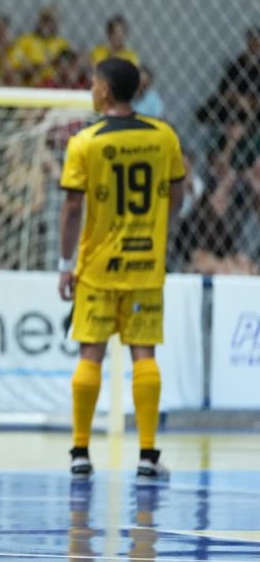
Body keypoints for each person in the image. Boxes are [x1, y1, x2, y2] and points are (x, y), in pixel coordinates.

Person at [58, 58, 184, 481]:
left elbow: (72, 207)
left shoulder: (85, 142)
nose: (91, 90)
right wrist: (161, 235)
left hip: (98, 268)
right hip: (145, 265)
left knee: (90, 354)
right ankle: (148, 456)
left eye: (94, 83)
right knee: (144, 354)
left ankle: (80, 452)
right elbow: (178, 193)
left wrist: (64, 264)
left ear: (105, 91)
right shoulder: (164, 136)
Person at [9, 6, 71, 86]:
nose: (48, 24)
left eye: (52, 21)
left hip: (54, 85)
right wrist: (45, 64)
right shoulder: (25, 41)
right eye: (45, 20)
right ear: (39, 21)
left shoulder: (62, 44)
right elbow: (16, 66)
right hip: (31, 85)